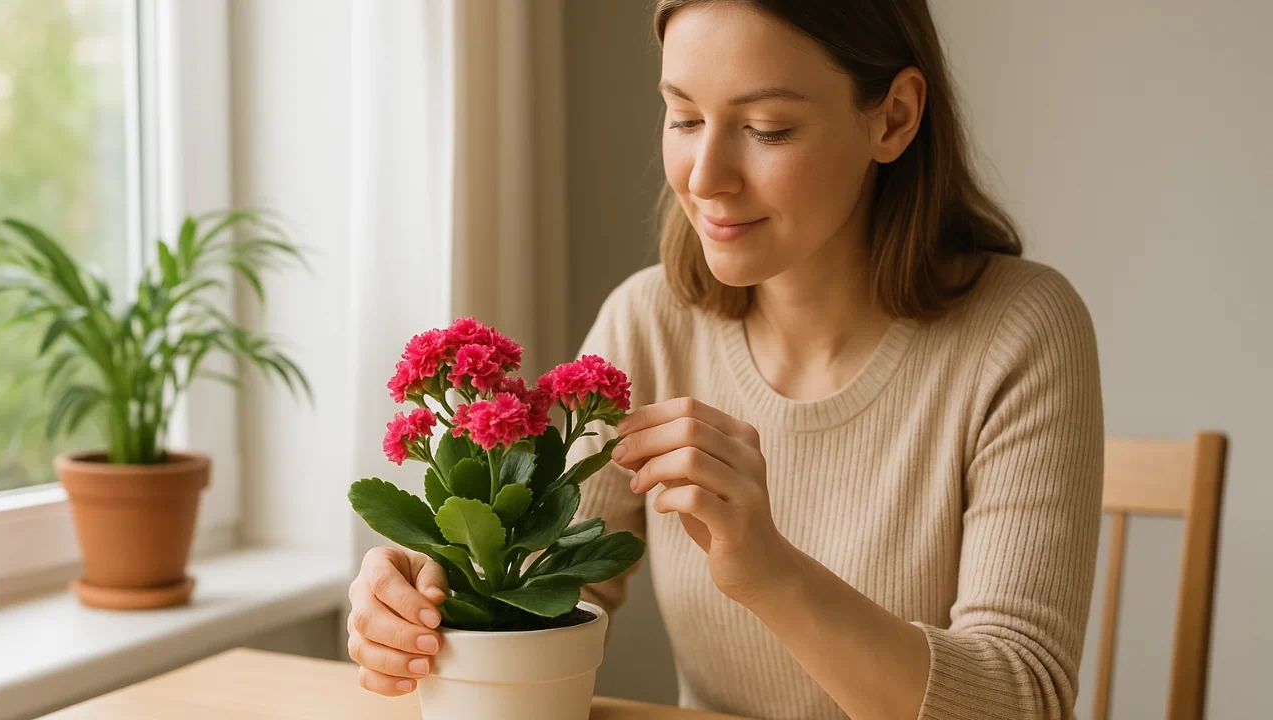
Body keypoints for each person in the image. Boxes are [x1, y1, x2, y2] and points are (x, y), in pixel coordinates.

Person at [345, 1, 1104, 718]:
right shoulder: (648, 322)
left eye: (768, 129)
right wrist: (434, 600)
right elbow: (542, 593)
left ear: (894, 117)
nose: (704, 177)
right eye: (684, 117)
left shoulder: (1020, 331)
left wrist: (771, 574)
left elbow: (1023, 700)